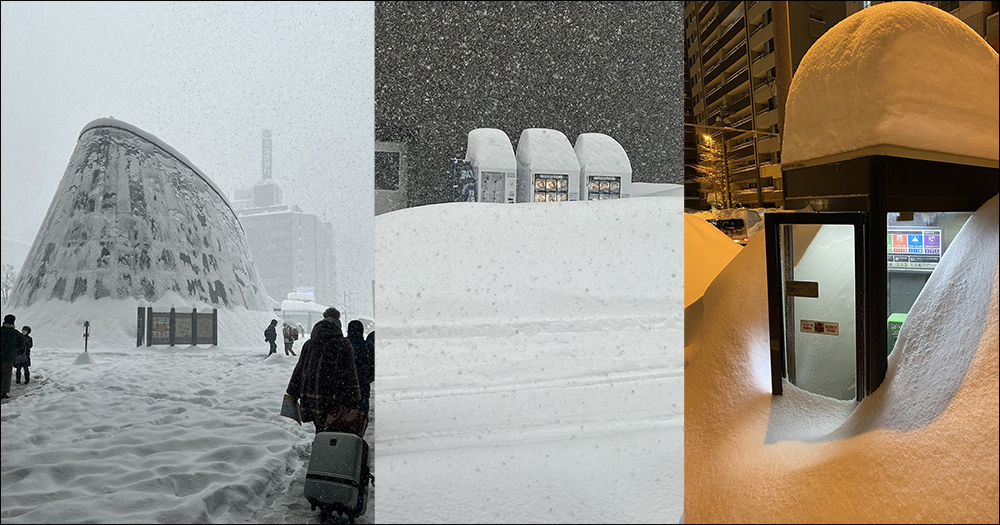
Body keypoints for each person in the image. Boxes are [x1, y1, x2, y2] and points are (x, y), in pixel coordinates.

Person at [285, 315, 362, 435]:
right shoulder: (343, 344)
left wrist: (292, 392)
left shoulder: (309, 344)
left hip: (311, 398)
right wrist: (354, 398)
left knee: (319, 429)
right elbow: (349, 374)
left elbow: (299, 370)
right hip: (334, 399)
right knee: (334, 431)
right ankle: (328, 450)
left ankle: (320, 448)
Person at [347, 320, 374, 415]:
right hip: (362, 388)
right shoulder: (367, 346)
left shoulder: (343, 345)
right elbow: (373, 368)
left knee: (344, 416)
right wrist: (366, 379)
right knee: (361, 416)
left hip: (344, 389)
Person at [1, 314, 25, 399]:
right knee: (7, 375)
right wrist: (15, 348)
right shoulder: (15, 333)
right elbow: (23, 341)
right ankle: (4, 392)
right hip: (8, 358)